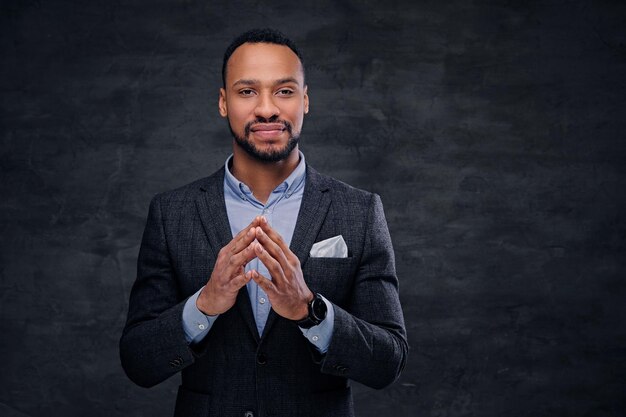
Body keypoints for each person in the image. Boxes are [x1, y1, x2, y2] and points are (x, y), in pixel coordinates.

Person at [120, 28, 408, 417]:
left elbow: (388, 362)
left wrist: (309, 310)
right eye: (247, 91)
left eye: (285, 91)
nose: (267, 108)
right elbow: (138, 362)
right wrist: (204, 305)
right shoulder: (172, 213)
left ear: (305, 101)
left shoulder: (359, 211)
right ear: (224, 103)